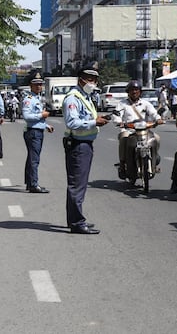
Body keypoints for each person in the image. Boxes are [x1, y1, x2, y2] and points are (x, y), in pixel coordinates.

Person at [62, 64, 108, 234]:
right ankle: (77, 222)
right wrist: (95, 122)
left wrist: (98, 119)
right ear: (81, 79)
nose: (93, 82)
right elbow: (72, 122)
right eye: (90, 79)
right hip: (78, 145)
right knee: (77, 185)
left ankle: (73, 220)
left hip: (84, 144)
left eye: (95, 79)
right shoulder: (73, 98)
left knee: (78, 184)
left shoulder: (86, 97)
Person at [113, 80, 163, 182]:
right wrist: (119, 122)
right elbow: (116, 115)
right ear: (128, 92)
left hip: (144, 130)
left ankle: (154, 159)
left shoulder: (145, 104)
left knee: (156, 138)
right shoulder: (122, 104)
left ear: (140, 92)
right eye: (132, 90)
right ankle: (123, 164)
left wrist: (158, 119)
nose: (134, 92)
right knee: (123, 138)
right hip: (129, 130)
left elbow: (153, 113)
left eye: (136, 90)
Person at [22, 71, 52, 194]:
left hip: (37, 130)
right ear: (31, 85)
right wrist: (42, 115)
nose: (39, 86)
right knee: (34, 159)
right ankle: (34, 184)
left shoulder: (37, 98)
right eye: (36, 84)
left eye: (40, 84)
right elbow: (27, 116)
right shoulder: (28, 99)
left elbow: (37, 119)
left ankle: (30, 183)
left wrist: (46, 125)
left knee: (31, 158)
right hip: (33, 133)